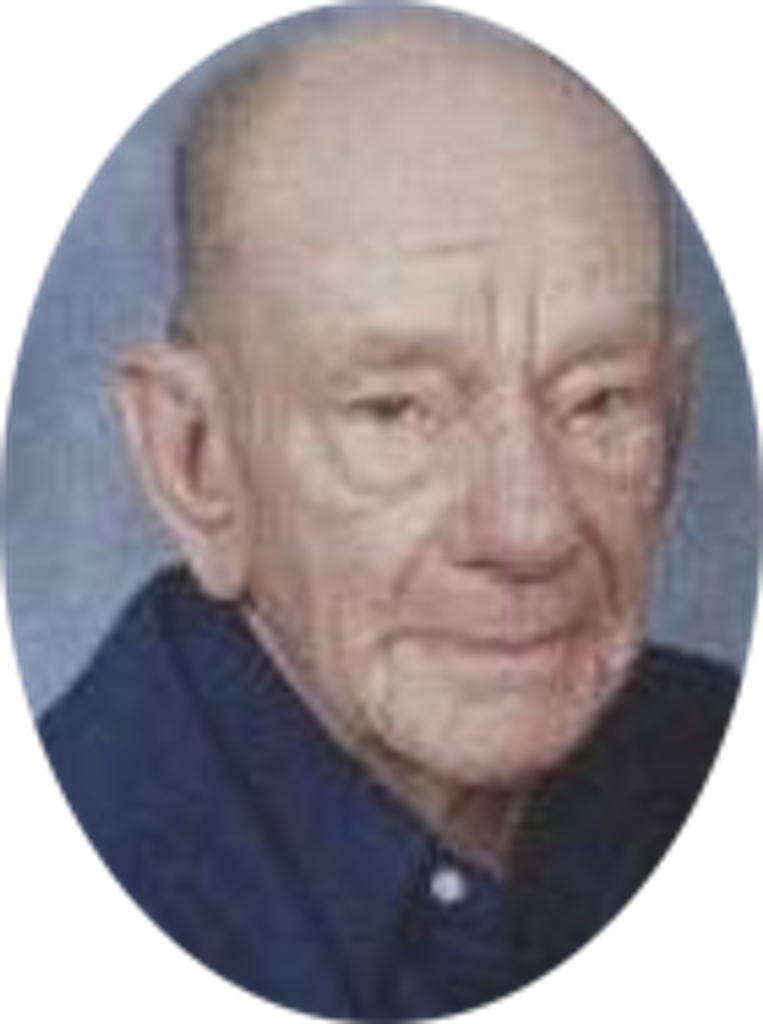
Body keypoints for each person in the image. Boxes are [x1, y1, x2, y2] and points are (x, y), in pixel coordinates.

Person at [32, 15, 745, 1021]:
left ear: (673, 418)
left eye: (598, 401)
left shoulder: (699, 744)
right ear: (196, 460)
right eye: (395, 411)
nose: (530, 528)